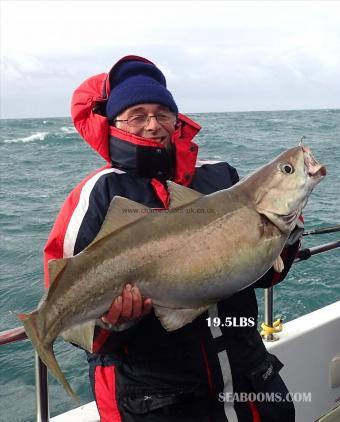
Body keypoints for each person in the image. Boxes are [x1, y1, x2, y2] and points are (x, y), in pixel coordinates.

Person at [44, 55, 301, 421]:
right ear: (115, 123)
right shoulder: (96, 195)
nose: (153, 125)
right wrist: (114, 322)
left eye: (163, 113)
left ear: (176, 119)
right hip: (160, 403)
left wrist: (286, 233)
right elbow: (88, 332)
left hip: (250, 383)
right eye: (137, 115)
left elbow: (267, 274)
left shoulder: (221, 176)